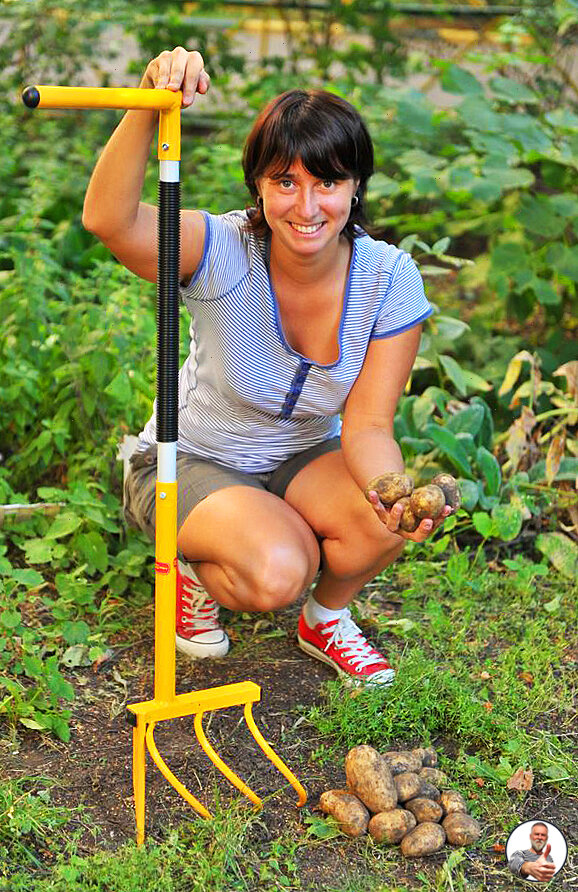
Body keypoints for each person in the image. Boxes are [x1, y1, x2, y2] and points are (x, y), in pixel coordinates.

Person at [83, 47, 451, 685]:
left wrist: (391, 498)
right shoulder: (219, 249)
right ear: (258, 184)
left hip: (301, 459)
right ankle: (195, 573)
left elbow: (368, 426)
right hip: (189, 459)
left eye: (327, 182)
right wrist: (147, 101)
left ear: (356, 186)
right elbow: (107, 220)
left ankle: (326, 618)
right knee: (281, 570)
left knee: (379, 519)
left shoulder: (389, 279)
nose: (306, 207)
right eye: (285, 182)